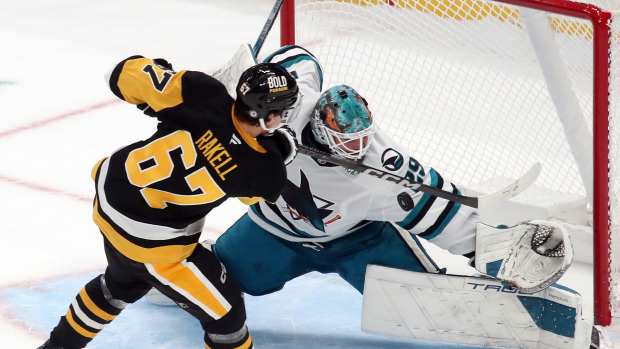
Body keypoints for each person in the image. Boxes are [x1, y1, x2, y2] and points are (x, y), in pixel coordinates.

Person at [207, 46, 594, 348]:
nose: (359, 149)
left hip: (358, 241)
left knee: (425, 303)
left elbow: (443, 212)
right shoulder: (288, 109)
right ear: (322, 135)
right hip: (275, 231)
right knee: (219, 278)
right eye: (347, 142)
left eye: (362, 139)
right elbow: (298, 59)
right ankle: (163, 265)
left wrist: (496, 249)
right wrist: (237, 86)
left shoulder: (385, 170)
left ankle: (556, 321)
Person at [37, 56, 300, 349]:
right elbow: (251, 192)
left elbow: (120, 74)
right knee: (227, 319)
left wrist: (163, 74)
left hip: (110, 196)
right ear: (269, 117)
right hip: (152, 243)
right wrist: (277, 148)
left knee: (121, 283)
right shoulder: (265, 169)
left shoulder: (201, 91)